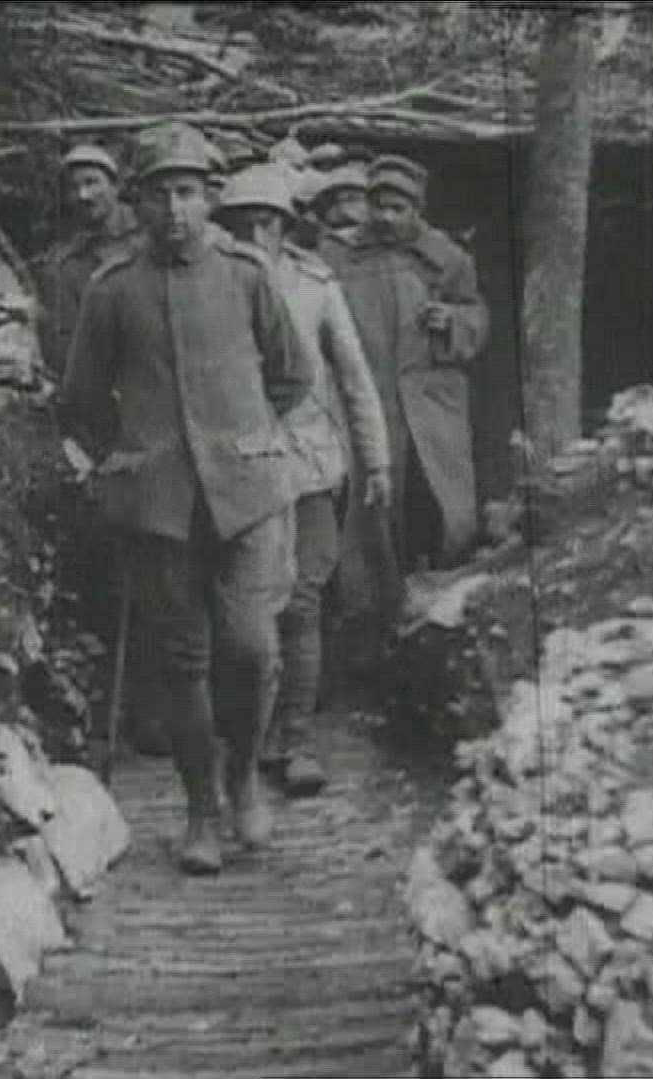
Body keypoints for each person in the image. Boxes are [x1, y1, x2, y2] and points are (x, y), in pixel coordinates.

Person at [59, 124, 312, 875]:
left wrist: (244, 434)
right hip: (160, 504)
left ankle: (243, 778)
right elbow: (80, 400)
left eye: (187, 192)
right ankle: (201, 809)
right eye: (159, 194)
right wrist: (132, 454)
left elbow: (293, 375)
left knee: (253, 648)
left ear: (209, 197)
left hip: (248, 495)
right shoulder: (113, 288)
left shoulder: (246, 274)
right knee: (182, 660)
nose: (174, 209)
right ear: (136, 203)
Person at [213, 164, 392, 798]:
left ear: (286, 226)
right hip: (235, 470)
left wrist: (376, 461)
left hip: (310, 464)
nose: (253, 235)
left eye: (266, 222)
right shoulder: (207, 283)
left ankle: (293, 740)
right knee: (245, 607)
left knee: (303, 601)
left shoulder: (316, 285)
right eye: (240, 223)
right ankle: (244, 735)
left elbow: (354, 378)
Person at [334, 154, 488, 594]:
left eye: (397, 208)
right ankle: (373, 600)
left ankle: (445, 581)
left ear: (417, 210)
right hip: (370, 395)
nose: (385, 217)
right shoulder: (341, 254)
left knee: (437, 491)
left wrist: (453, 320)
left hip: (431, 399)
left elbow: (476, 314)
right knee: (374, 499)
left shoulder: (447, 258)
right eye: (378, 206)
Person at [33, 144, 141, 379]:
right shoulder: (63, 264)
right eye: (73, 188)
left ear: (115, 186)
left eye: (92, 183)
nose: (83, 195)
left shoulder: (152, 234)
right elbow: (62, 349)